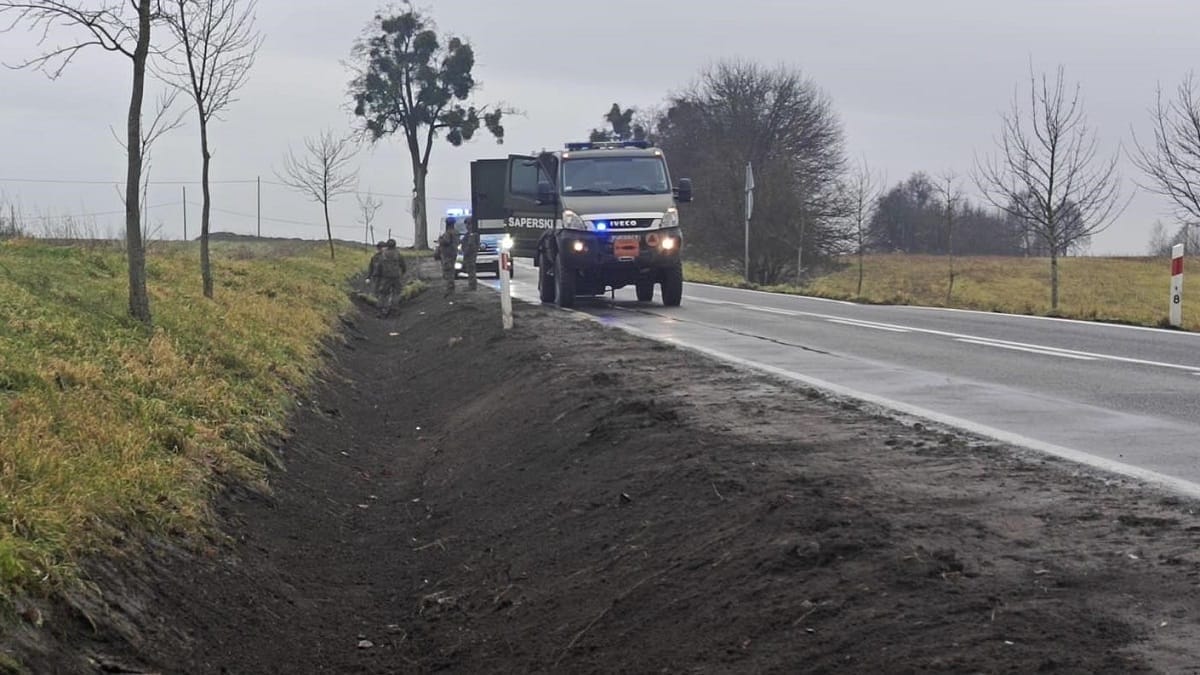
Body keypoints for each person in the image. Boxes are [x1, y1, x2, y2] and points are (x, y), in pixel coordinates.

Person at [375, 239, 407, 318]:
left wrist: (378, 275)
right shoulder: (398, 254)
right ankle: (394, 310)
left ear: (387, 245)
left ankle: (381, 311)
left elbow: (379, 266)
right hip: (396, 277)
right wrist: (402, 273)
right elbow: (403, 265)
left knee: (383, 294)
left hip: (385, 277)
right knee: (396, 293)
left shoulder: (383, 255)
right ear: (395, 245)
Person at [434, 217, 458, 297]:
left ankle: (450, 290)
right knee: (451, 271)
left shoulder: (448, 233)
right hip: (452, 254)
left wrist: (440, 239)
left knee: (448, 272)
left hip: (447, 255)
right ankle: (450, 289)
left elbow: (446, 241)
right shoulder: (456, 232)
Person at [461, 216, 478, 290]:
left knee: (471, 270)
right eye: (466, 224)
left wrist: (466, 253)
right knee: (469, 270)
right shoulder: (468, 234)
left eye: (468, 224)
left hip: (470, 255)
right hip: (468, 255)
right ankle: (471, 285)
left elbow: (471, 245)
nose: (467, 226)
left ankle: (472, 285)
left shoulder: (473, 234)